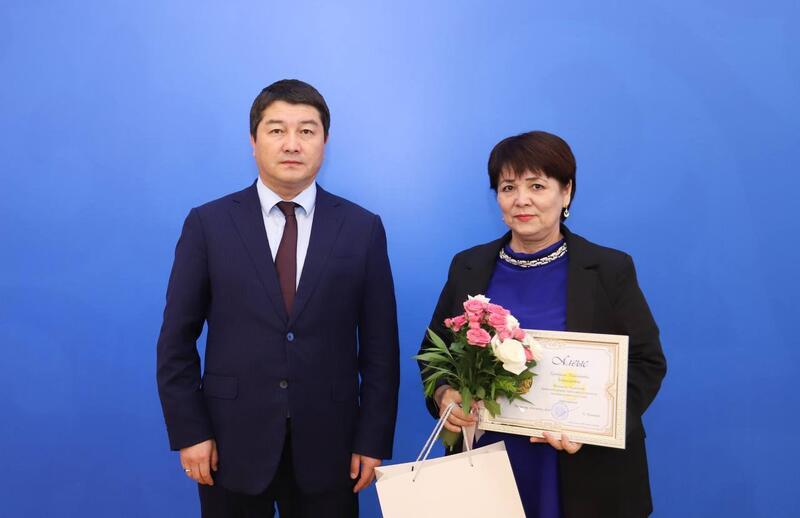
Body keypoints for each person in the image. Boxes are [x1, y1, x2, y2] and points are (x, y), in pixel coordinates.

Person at [157, 79, 400, 518]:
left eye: (306, 130)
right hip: (228, 443)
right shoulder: (209, 224)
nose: (292, 144)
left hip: (331, 445)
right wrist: (190, 431)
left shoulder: (362, 229)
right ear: (253, 141)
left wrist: (372, 439)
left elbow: (381, 349)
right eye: (276, 130)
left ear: (325, 141)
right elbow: (175, 341)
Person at [419, 131, 666, 518]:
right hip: (489, 460)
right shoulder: (468, 266)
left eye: (537, 186)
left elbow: (647, 362)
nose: (522, 199)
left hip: (583, 466)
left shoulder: (609, 269)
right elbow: (433, 356)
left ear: (566, 192)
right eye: (508, 187)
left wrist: (595, 425)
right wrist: (445, 395)